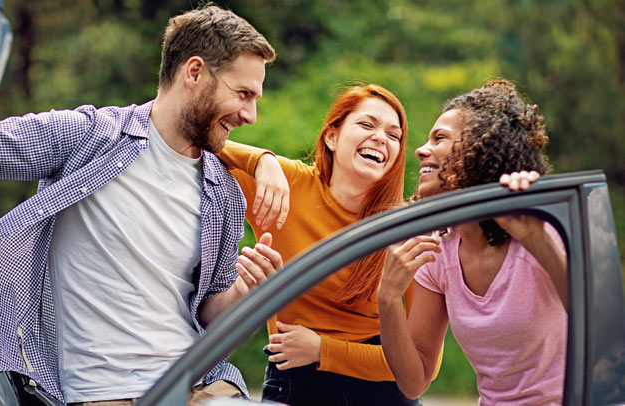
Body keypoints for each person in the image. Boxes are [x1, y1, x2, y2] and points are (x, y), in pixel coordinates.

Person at [0, 5, 283, 406]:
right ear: (194, 73)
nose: (251, 114)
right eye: (243, 94)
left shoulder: (223, 193)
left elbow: (211, 316)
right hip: (106, 395)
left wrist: (244, 293)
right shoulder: (91, 138)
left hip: (201, 386)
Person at [218, 84, 425, 405]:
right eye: (367, 125)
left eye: (394, 135)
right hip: (297, 380)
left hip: (384, 392)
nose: (381, 138)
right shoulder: (289, 184)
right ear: (332, 136)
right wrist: (262, 161)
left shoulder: (405, 229)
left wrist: (321, 349)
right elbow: (204, 142)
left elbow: (419, 367)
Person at [377, 80, 567, 405]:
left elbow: (597, 317)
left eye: (440, 139)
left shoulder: (538, 230)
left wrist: (537, 239)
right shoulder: (437, 250)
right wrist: (389, 297)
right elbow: (414, 381)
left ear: (481, 151)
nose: (421, 149)